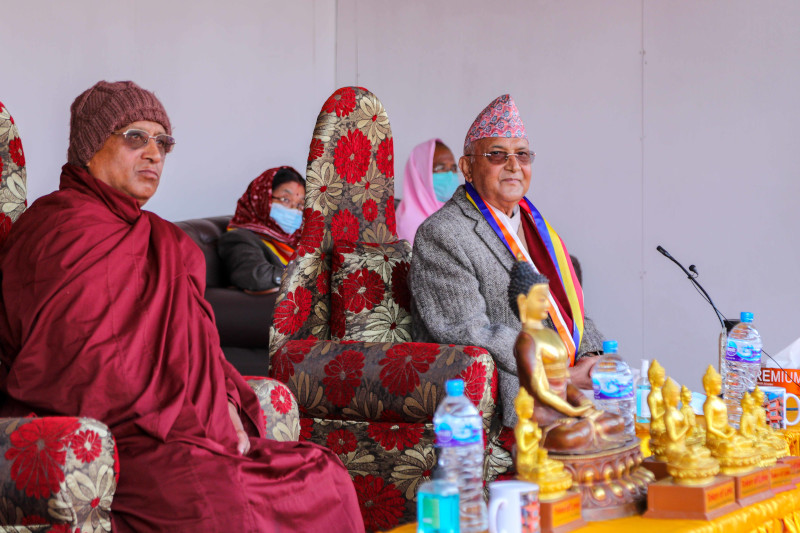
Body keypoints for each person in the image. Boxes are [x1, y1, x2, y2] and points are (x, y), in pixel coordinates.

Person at [0, 80, 363, 533]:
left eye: (162, 142)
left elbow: (198, 348)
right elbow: (72, 366)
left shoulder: (165, 240)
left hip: (189, 430)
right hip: (128, 438)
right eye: (135, 137)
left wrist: (225, 401)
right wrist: (190, 415)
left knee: (321, 473)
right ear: (91, 145)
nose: (153, 154)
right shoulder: (58, 229)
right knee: (219, 498)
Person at [410, 94, 604, 428]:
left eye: (522, 155)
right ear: (468, 167)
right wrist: (559, 372)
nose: (514, 165)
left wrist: (593, 358)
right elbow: (467, 330)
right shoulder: (443, 234)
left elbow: (565, 308)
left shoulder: (536, 226)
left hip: (568, 383)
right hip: (516, 395)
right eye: (497, 154)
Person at [510, 260, 627, 453]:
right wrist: (571, 411)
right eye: (541, 299)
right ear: (524, 302)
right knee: (572, 438)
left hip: (568, 415)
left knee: (616, 423)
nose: (547, 304)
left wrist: (583, 403)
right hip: (545, 423)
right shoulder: (526, 341)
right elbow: (540, 389)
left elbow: (565, 382)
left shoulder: (551, 336)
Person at [218, 166, 305, 292]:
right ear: (263, 198)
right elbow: (256, 277)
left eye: (300, 204)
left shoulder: (297, 241)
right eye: (285, 199)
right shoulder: (239, 238)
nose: (294, 209)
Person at [396, 139, 459, 244]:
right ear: (420, 174)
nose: (450, 175)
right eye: (440, 168)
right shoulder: (410, 224)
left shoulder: (458, 212)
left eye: (453, 168)